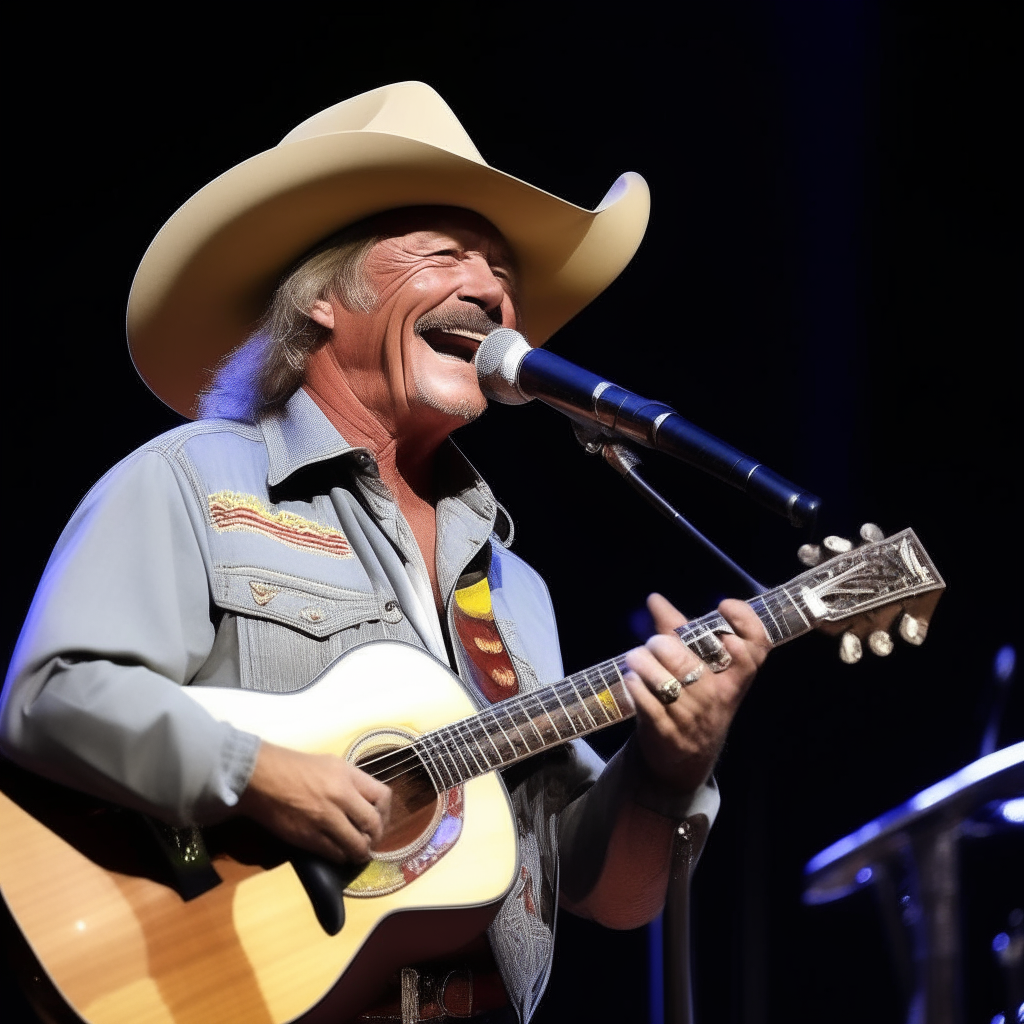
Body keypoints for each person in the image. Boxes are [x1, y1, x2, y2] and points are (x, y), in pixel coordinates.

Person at [0, 82, 769, 1023]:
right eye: (447, 252)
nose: (493, 290)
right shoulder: (196, 483)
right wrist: (259, 772)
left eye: (502, 272)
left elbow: (613, 897)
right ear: (324, 297)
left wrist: (669, 764)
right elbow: (53, 695)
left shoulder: (511, 589)